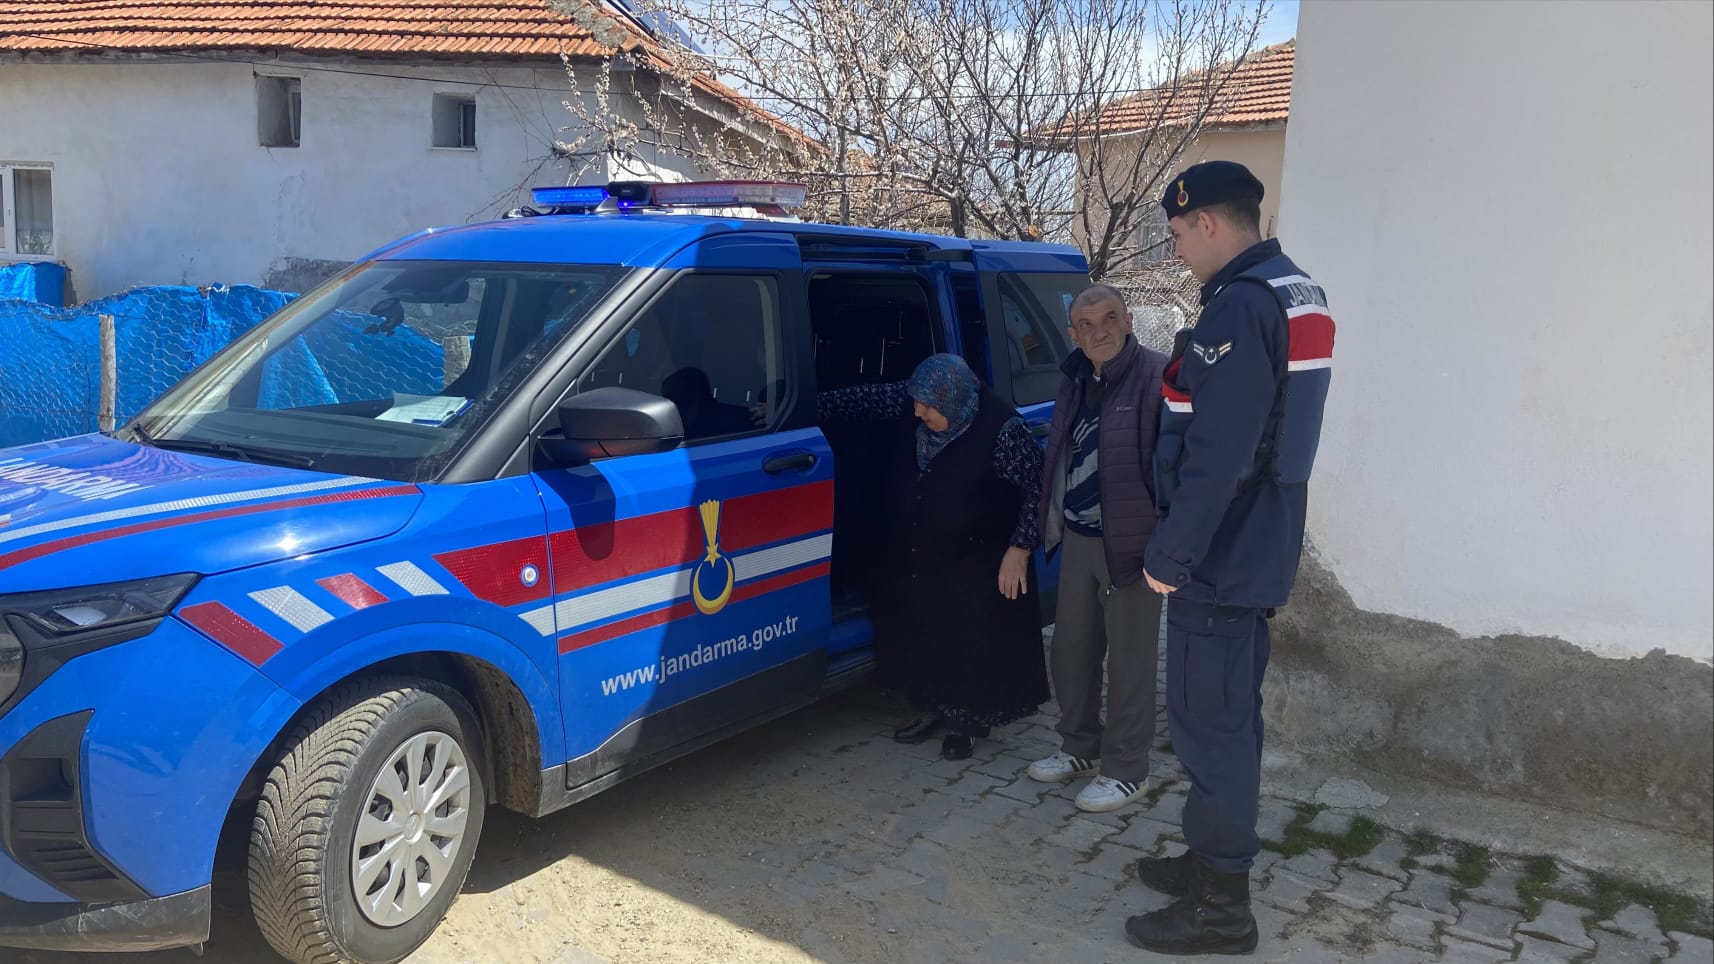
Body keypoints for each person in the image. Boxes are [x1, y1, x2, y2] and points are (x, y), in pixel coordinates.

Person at [1125, 160, 1335, 956]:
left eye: (1177, 234)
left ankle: (1221, 907)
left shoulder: (1239, 310)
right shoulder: (1294, 290)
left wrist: (1170, 556)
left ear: (1209, 222)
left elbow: (1220, 453)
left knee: (1208, 726)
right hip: (1257, 545)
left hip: (1220, 553)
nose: (1175, 250)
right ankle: (1208, 858)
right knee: (1228, 719)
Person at [819, 353, 1050, 761]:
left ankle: (966, 720)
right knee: (920, 624)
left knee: (968, 634)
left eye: (929, 406)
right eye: (917, 402)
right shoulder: (921, 400)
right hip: (920, 546)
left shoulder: (1003, 431)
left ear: (956, 401)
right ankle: (930, 707)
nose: (917, 411)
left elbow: (1039, 490)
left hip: (979, 552)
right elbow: (863, 400)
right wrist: (800, 406)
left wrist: (1020, 548)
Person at [1024, 284, 1170, 813]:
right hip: (1081, 537)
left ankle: (1128, 770)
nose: (1099, 330)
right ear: (1073, 334)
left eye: (1109, 318)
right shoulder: (1075, 377)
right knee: (1071, 652)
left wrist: (1167, 539)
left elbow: (1177, 465)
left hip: (1133, 545)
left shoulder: (1157, 375)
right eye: (1086, 324)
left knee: (1131, 663)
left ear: (1128, 320)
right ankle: (1079, 748)